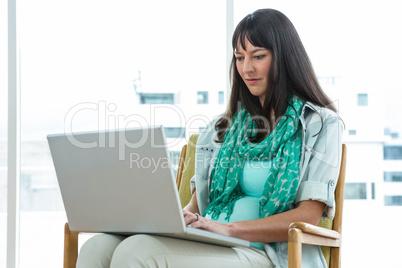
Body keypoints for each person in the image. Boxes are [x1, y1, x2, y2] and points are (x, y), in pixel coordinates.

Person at [76, 8, 343, 268]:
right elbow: (198, 205)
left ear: (285, 58)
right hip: (213, 241)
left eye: (258, 56)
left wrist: (228, 229)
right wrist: (185, 219)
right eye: (239, 58)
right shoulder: (221, 127)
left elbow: (308, 216)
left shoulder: (319, 124)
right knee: (96, 247)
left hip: (268, 254)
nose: (246, 68)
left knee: (139, 252)